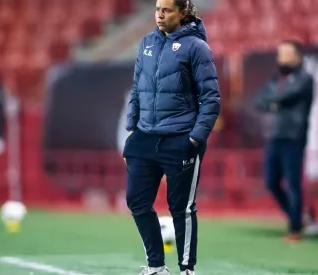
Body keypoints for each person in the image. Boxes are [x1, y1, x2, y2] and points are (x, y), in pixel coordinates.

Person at [122, 0, 220, 274]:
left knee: (182, 208)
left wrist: (195, 138)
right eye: (157, 9)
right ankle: (156, 268)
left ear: (183, 12)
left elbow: (211, 98)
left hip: (180, 138)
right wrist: (132, 127)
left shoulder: (196, 47)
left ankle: (187, 269)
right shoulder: (146, 43)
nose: (160, 14)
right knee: (137, 202)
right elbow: (137, 89)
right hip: (144, 137)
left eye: (166, 9)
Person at [254, 40, 314, 241]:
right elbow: (260, 100)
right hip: (274, 135)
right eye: (280, 53)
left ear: (297, 56)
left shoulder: (305, 79)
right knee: (271, 182)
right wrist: (274, 102)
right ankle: (298, 217)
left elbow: (286, 96)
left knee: (292, 183)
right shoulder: (275, 79)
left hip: (293, 137)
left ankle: (295, 228)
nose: (281, 57)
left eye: (286, 53)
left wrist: (274, 102)